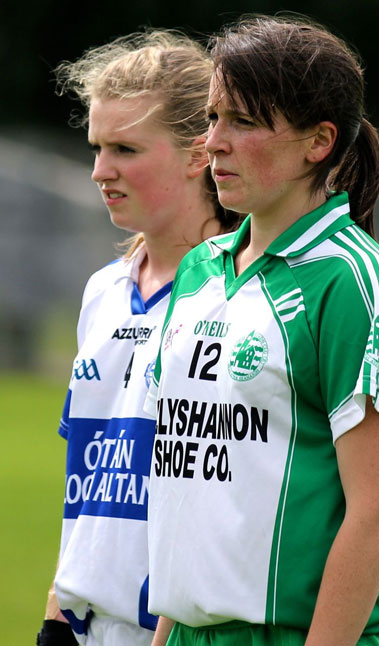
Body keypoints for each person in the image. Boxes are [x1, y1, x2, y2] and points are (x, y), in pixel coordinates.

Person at [144, 14, 379, 646]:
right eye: (213, 118)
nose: (213, 143)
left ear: (317, 141)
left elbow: (376, 515)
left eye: (243, 121)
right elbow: (191, 492)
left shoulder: (352, 281)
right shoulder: (197, 270)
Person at [36, 29, 240, 646]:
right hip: (86, 627)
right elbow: (90, 477)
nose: (100, 170)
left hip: (178, 632)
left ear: (199, 153)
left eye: (125, 148)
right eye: (97, 147)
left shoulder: (239, 297)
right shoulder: (102, 291)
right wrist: (57, 612)